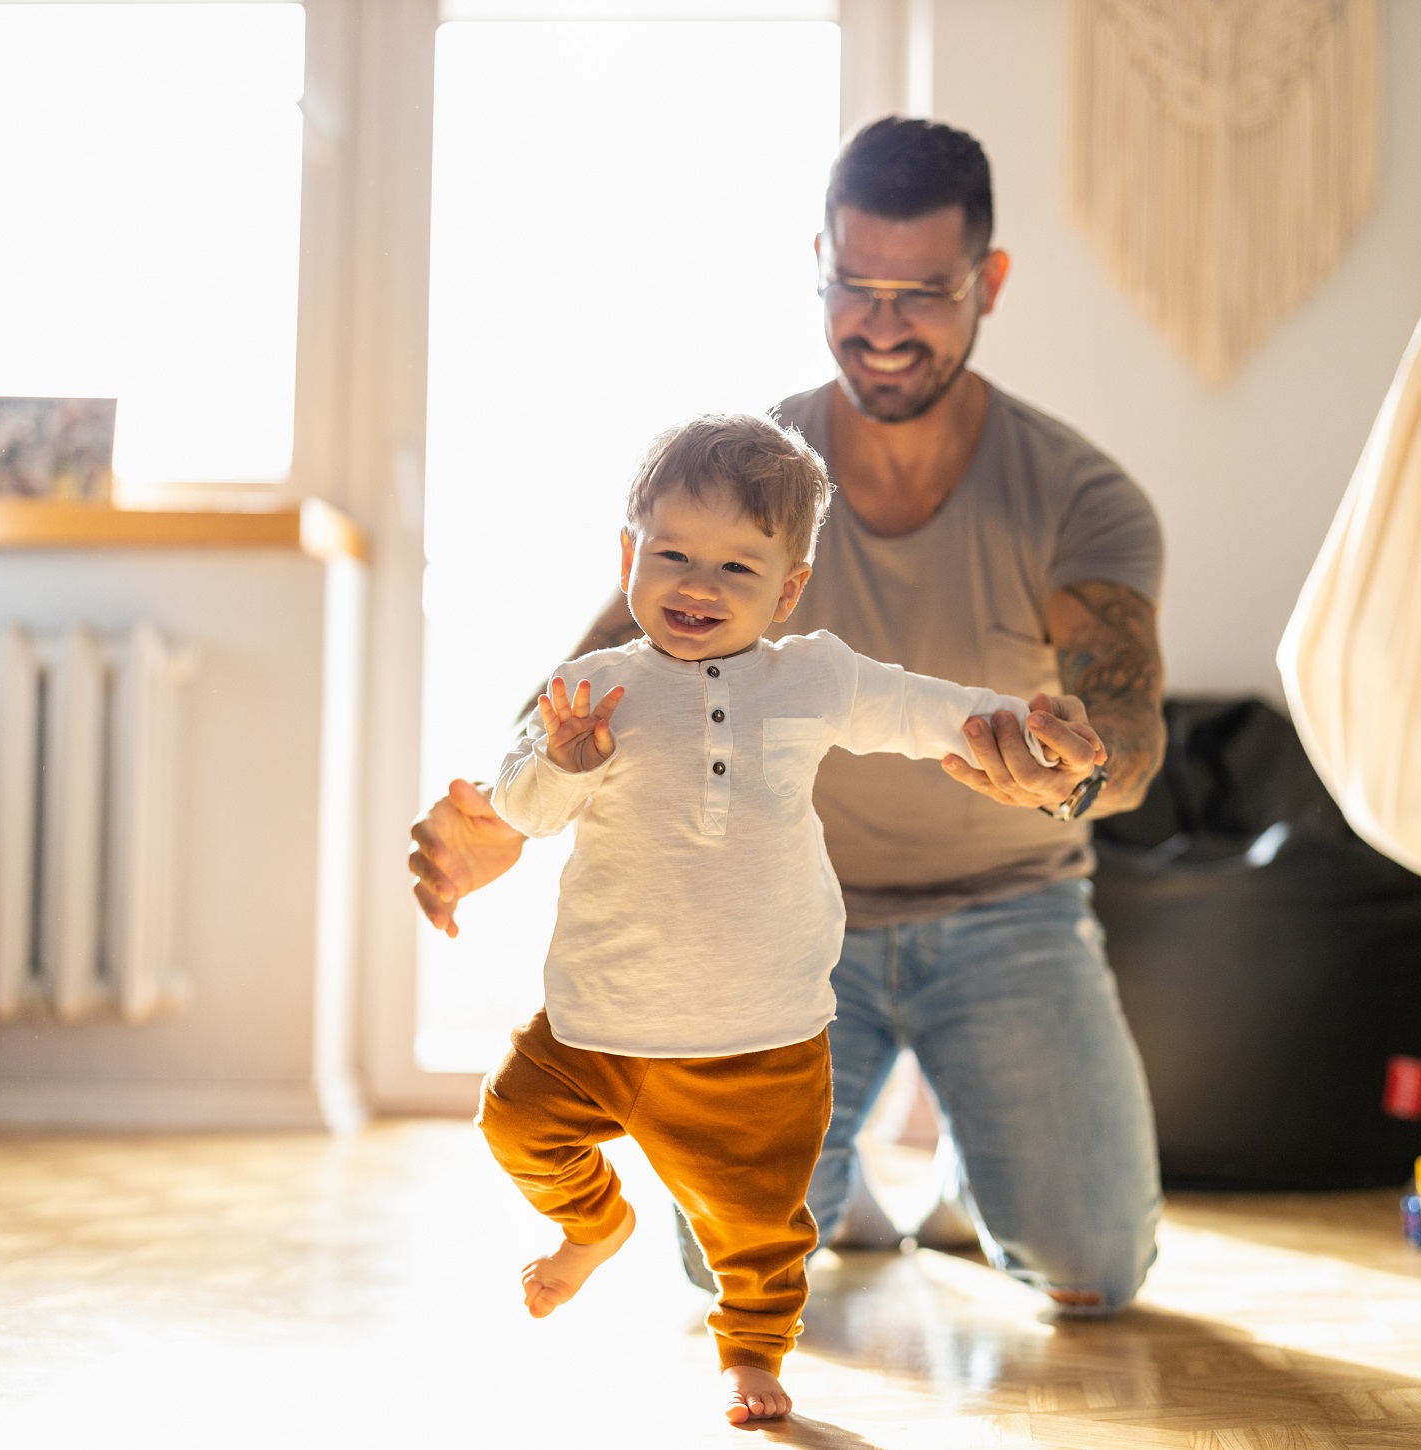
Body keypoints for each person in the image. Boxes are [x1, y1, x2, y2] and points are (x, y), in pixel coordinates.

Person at [412, 116, 1167, 1317]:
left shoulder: (1077, 495)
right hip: (764, 941)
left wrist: (1071, 769)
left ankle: (983, 1160)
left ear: (990, 282)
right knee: (724, 1265)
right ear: (817, 261)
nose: (880, 324)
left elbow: (1125, 725)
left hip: (1010, 914)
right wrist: (504, 808)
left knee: (1091, 1268)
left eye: (920, 291)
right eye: (853, 286)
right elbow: (583, 681)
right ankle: (847, 1192)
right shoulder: (744, 479)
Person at [476, 413, 1102, 1424]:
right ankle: (592, 1226)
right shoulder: (595, 691)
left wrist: (1021, 720)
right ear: (628, 555)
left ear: (789, 588)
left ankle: (754, 1355)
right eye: (672, 554)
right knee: (514, 1122)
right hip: (596, 1021)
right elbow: (520, 809)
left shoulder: (810, 675)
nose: (697, 586)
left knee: (759, 1225)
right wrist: (561, 764)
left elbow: (920, 708)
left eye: (737, 567)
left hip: (760, 1031)